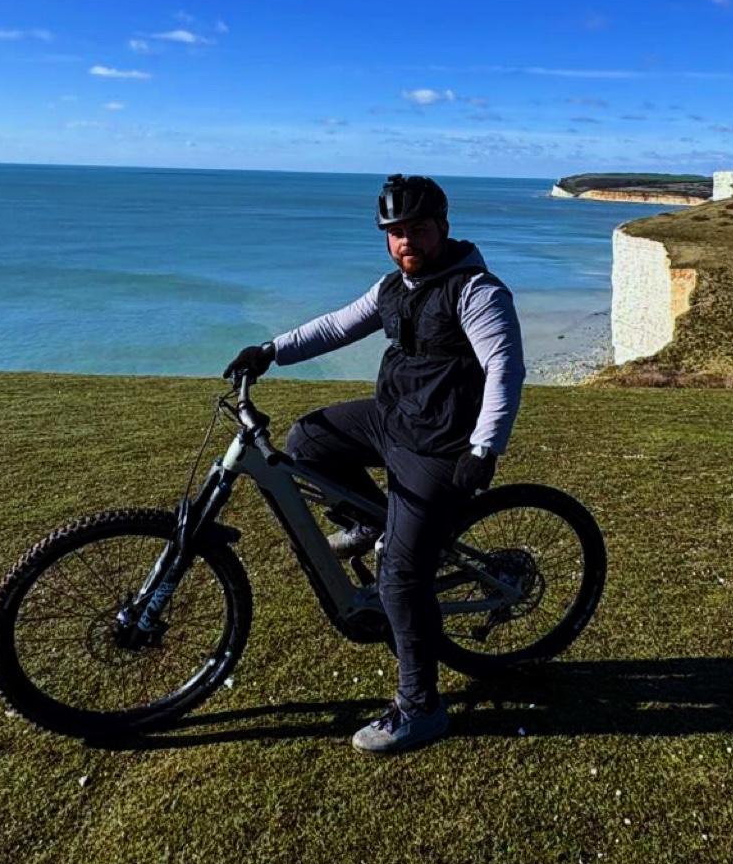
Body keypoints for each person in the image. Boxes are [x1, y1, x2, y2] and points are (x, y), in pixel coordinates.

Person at [223, 173, 525, 755]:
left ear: (443, 228)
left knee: (401, 579)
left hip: (441, 445)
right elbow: (338, 325)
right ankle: (369, 521)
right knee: (308, 438)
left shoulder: (476, 292)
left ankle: (421, 707)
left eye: (418, 228)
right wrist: (270, 351)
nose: (406, 240)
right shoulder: (393, 287)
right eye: (395, 231)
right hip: (392, 420)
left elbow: (505, 369)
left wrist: (484, 448)